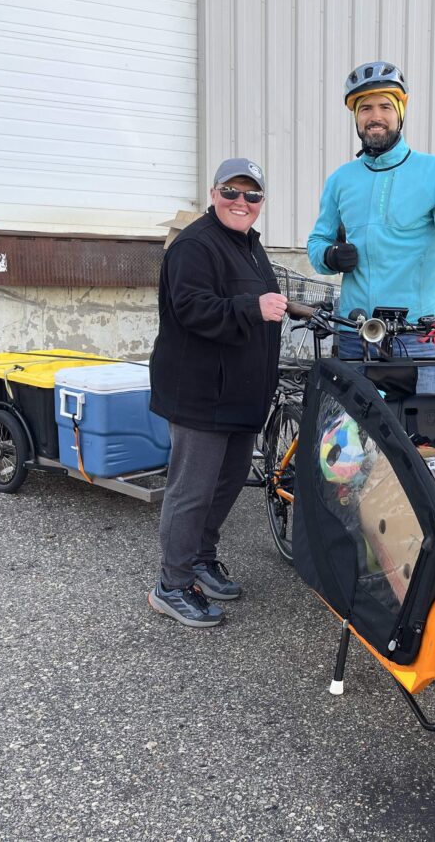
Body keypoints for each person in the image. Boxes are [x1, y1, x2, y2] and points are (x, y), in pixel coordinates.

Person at [147, 157, 287, 627]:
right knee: (192, 490)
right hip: (201, 394)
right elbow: (191, 308)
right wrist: (252, 307)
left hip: (241, 395)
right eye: (231, 191)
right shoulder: (194, 245)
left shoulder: (249, 245)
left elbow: (256, 304)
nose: (240, 202)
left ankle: (200, 559)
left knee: (228, 483)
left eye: (252, 194)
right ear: (213, 194)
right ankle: (171, 584)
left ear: (261, 201)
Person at [307, 60, 435, 391]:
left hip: (416, 335)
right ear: (356, 116)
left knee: (417, 425)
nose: (375, 116)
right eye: (365, 108)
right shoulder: (341, 180)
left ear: (400, 112)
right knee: (350, 425)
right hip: (355, 332)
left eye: (385, 106)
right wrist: (329, 255)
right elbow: (317, 242)